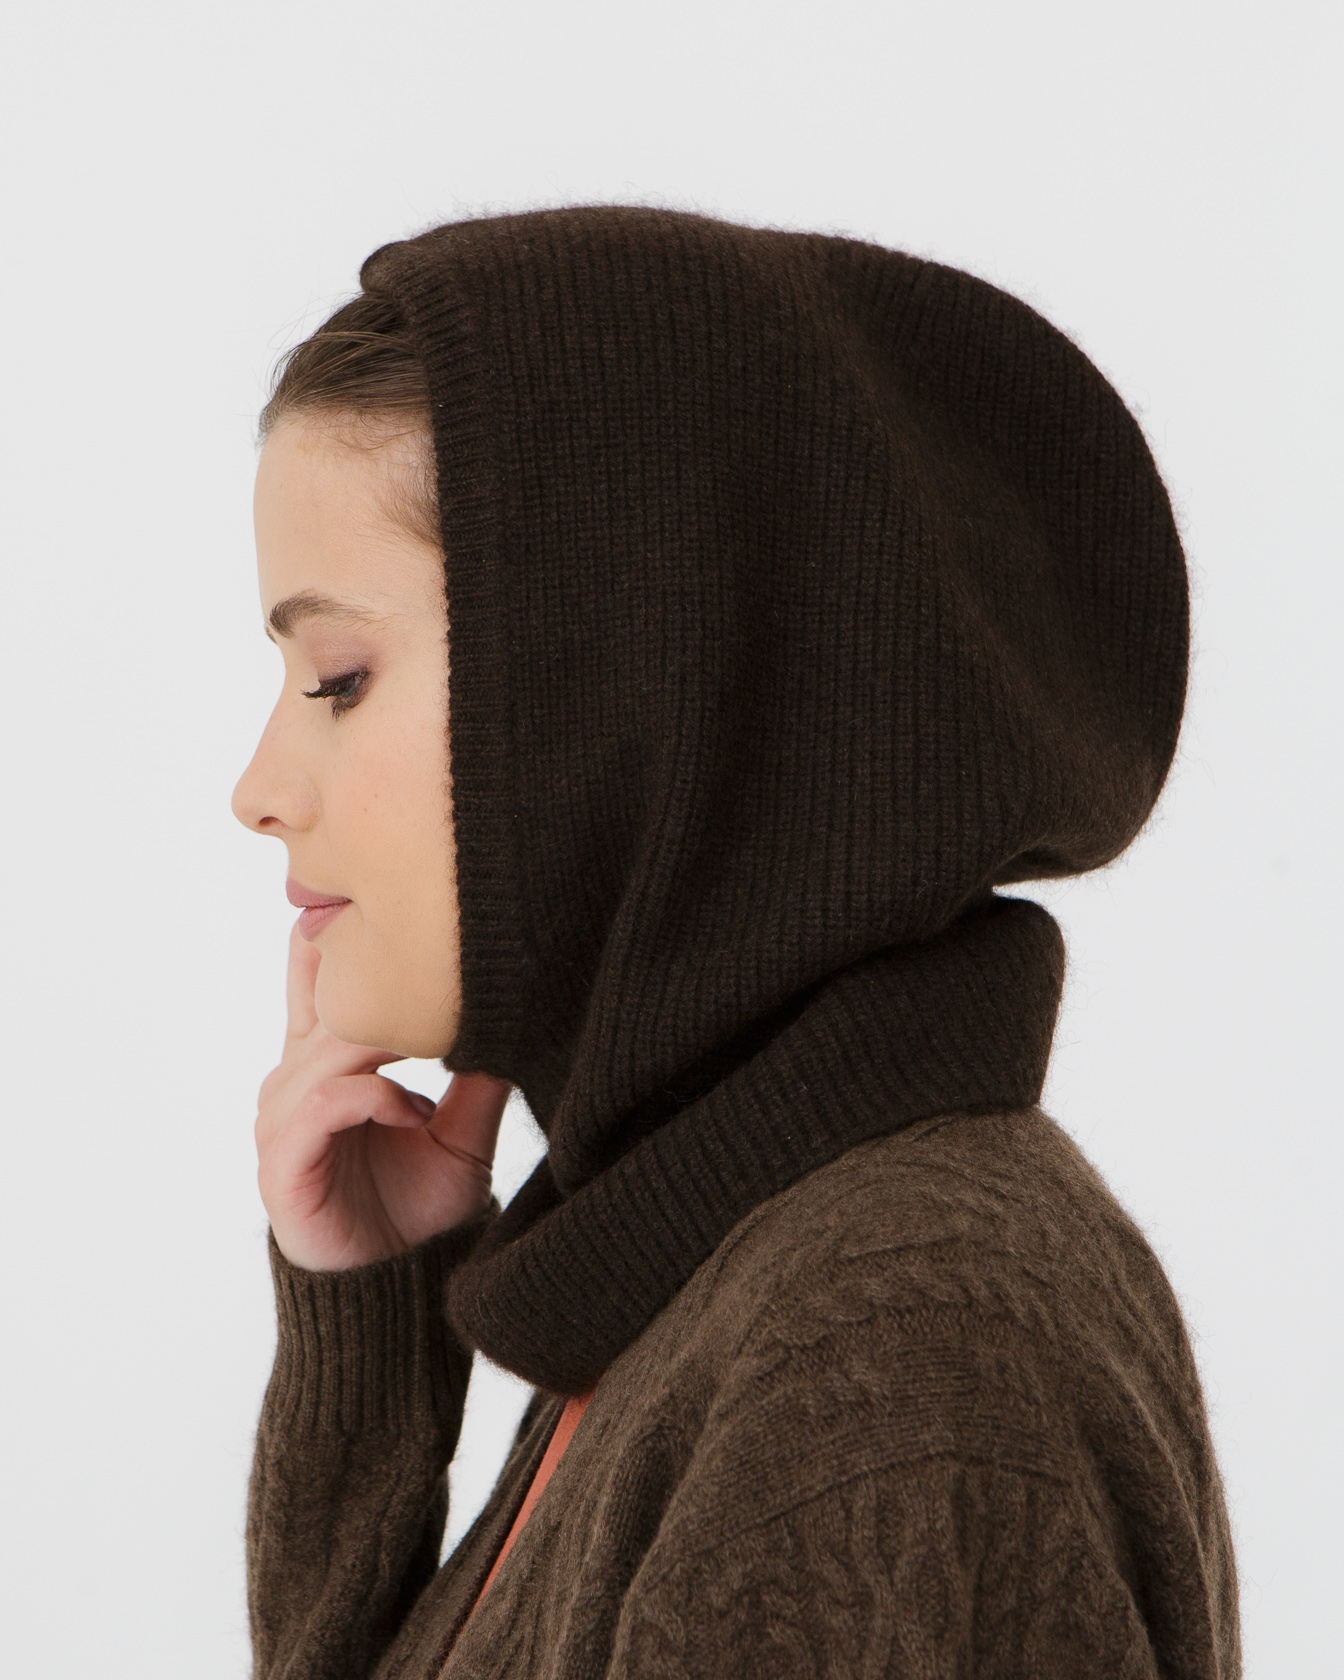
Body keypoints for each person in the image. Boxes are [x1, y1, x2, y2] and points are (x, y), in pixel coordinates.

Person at [231, 205, 1239, 1679]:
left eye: (337, 677)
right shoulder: (722, 1254)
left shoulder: (887, 1356)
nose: (258, 790)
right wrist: (374, 1345)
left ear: (630, 693)